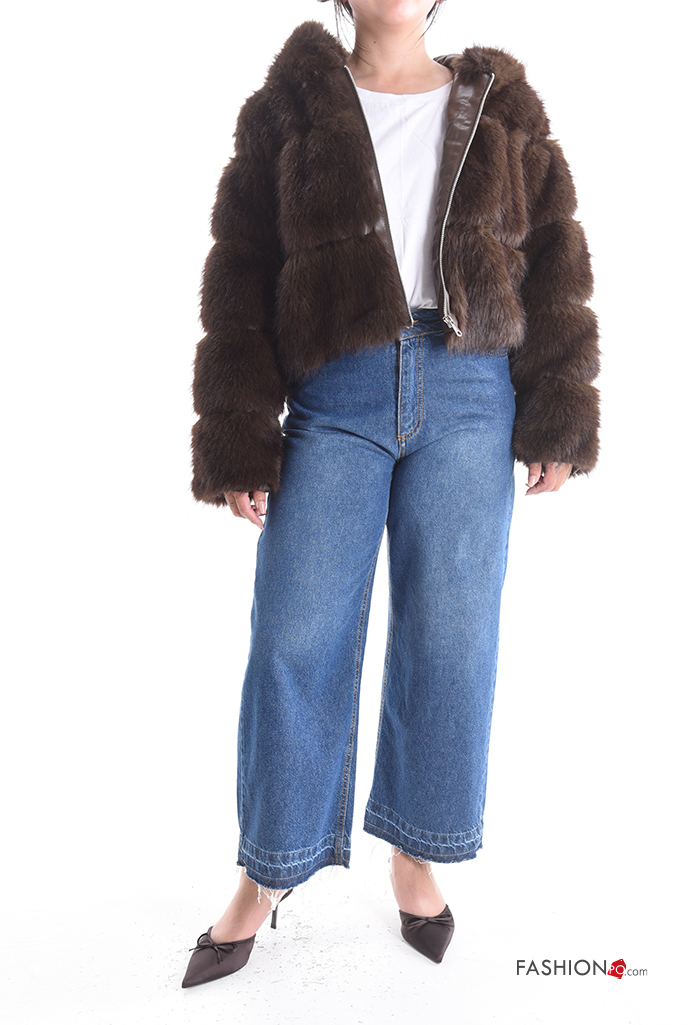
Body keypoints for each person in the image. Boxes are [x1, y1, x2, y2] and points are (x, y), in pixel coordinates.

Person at [182, 0, 600, 987]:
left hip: (471, 393)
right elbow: (241, 271)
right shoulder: (289, 106)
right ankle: (268, 868)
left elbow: (553, 258)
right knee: (294, 634)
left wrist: (557, 412)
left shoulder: (500, 102)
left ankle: (417, 850)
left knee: (451, 635)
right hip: (336, 390)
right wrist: (240, 432)